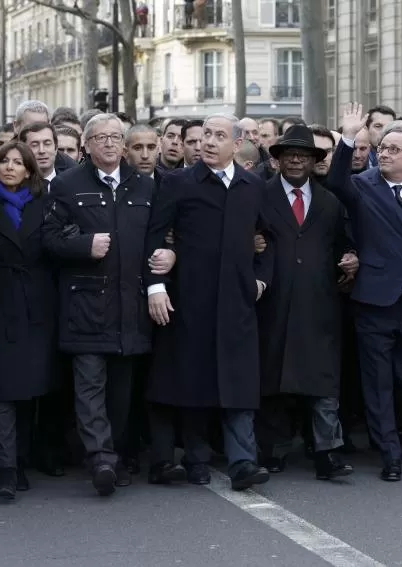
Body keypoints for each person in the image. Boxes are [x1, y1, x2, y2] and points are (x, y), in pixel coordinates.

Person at [144, 113, 273, 491]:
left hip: (237, 302)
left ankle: (243, 462)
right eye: (205, 136)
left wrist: (261, 279)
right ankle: (197, 458)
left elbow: (269, 239)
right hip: (191, 300)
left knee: (239, 384)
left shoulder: (252, 186)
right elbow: (155, 237)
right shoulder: (178, 183)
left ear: (237, 143)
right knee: (194, 381)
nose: (209, 143)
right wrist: (157, 287)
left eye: (219, 136)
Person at [42, 113, 155, 496]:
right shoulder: (67, 184)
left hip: (130, 308)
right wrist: (82, 245)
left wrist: (167, 257)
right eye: (100, 137)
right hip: (86, 307)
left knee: (121, 393)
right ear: (86, 146)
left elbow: (161, 237)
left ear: (123, 145)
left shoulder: (144, 186)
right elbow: (49, 240)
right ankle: (101, 458)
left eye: (114, 137)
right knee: (89, 388)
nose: (108, 143)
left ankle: (117, 455)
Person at [326, 103, 402, 481]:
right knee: (377, 380)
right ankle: (390, 452)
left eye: (393, 149)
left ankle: (390, 428)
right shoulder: (362, 186)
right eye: (381, 147)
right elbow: (335, 181)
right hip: (374, 301)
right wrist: (348, 136)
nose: (384, 153)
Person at [254, 125, 357, 480]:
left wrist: (350, 258)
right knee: (274, 380)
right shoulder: (260, 195)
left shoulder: (330, 201)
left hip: (319, 304)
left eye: (304, 155)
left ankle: (327, 451)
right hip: (273, 302)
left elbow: (344, 243)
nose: (296, 159)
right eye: (289, 154)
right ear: (278, 159)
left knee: (324, 383)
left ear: (315, 161)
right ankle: (274, 449)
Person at [0, 141, 58, 499]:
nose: (10, 167)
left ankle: (21, 460)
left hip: (36, 304)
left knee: (28, 389)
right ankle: (6, 468)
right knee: (1, 389)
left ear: (29, 170)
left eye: (17, 162)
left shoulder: (45, 204)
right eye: (4, 162)